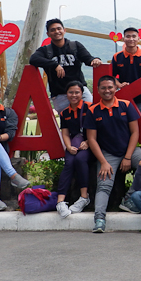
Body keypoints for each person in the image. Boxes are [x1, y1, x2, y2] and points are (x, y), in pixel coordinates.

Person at [83, 75, 141, 233]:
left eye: (110, 87)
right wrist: (103, 162)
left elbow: (135, 132)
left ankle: (128, 199)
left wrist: (128, 157)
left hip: (130, 150)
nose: (107, 90)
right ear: (98, 90)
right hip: (108, 154)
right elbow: (91, 139)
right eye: (103, 88)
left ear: (116, 88)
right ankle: (99, 219)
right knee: (104, 184)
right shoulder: (93, 110)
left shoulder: (126, 105)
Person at [29, 18, 103, 112]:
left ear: (64, 30)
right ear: (48, 34)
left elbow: (88, 59)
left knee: (90, 115)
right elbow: (33, 59)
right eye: (53, 30)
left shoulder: (75, 46)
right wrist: (54, 65)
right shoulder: (45, 50)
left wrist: (95, 60)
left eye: (59, 28)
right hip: (60, 94)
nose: (57, 31)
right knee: (67, 120)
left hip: (80, 91)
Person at [54, 81, 93, 218]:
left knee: (80, 160)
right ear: (66, 94)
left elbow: (99, 128)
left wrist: (88, 142)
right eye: (71, 92)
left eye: (77, 92)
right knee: (69, 163)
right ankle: (60, 201)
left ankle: (84, 197)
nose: (74, 95)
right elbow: (65, 133)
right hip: (74, 145)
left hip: (90, 144)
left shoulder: (90, 108)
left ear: (82, 94)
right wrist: (68, 146)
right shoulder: (65, 113)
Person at [111, 26, 141, 127]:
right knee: (125, 126)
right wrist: (119, 85)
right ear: (124, 39)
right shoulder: (117, 57)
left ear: (138, 39)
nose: (131, 39)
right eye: (128, 36)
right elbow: (111, 77)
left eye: (134, 36)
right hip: (125, 99)